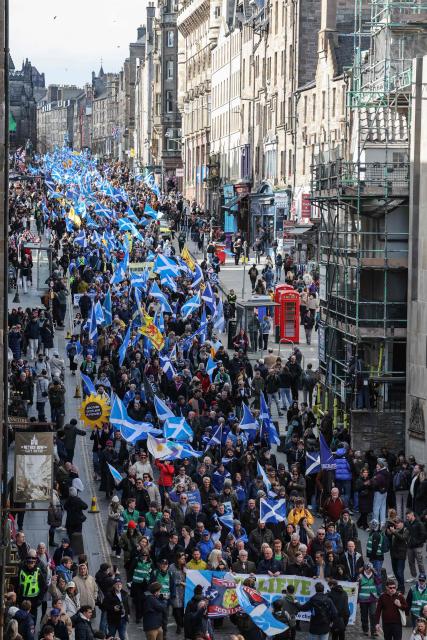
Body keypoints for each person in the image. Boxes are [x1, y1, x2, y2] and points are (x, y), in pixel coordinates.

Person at [358, 562, 380, 637]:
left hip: (372, 598)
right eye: (367, 568)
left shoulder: (374, 575)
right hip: (363, 599)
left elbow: (379, 582)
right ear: (364, 568)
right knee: (364, 615)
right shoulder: (360, 576)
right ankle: (365, 629)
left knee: (373, 614)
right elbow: (356, 586)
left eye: (370, 568)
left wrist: (375, 573)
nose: (368, 570)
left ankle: (373, 631)